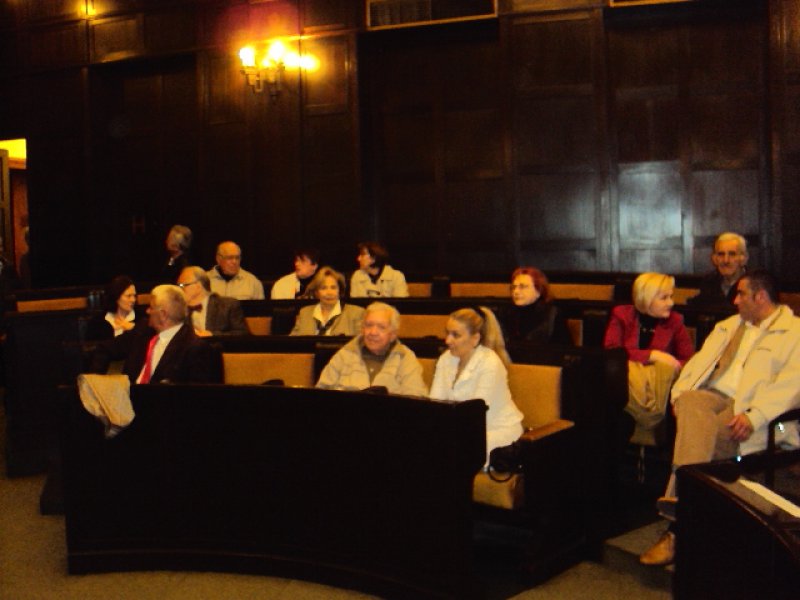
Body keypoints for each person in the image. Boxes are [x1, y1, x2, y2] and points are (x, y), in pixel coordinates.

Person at [639, 270, 800, 566]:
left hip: (750, 412)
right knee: (690, 402)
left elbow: (792, 387)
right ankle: (688, 509)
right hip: (713, 398)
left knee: (699, 433)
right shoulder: (728, 327)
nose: (735, 301)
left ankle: (678, 524)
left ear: (760, 297)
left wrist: (755, 415)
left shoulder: (794, 333)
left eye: (741, 294)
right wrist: (679, 394)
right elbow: (698, 364)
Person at [429, 306, 524, 463]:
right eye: (447, 333)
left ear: (475, 338)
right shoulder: (446, 358)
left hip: (496, 432)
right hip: (461, 431)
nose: (447, 340)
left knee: (452, 451)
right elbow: (435, 403)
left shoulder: (490, 363)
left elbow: (475, 415)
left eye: (456, 335)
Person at [603, 272, 694, 435]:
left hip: (659, 392)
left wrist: (668, 366)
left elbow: (688, 360)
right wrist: (652, 355)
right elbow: (612, 352)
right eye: (664, 298)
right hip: (624, 386)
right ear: (646, 299)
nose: (671, 303)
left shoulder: (675, 321)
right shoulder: (622, 315)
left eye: (671, 296)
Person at [90, 284, 223, 384]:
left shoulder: (195, 348)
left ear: (163, 315)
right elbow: (105, 348)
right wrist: (96, 383)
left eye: (151, 307)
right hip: (125, 401)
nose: (147, 311)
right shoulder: (143, 330)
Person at [316, 302, 427, 396]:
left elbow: (416, 397)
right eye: (369, 325)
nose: (373, 332)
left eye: (381, 327)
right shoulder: (345, 354)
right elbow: (321, 393)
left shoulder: (405, 357)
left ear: (393, 334)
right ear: (362, 329)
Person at [290, 266, 364, 336]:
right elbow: (293, 341)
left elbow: (361, 342)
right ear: (317, 292)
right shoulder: (304, 313)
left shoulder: (356, 313)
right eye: (323, 288)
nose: (329, 292)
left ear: (339, 290)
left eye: (333, 287)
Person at [503, 266, 569, 344]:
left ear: (538, 291)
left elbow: (565, 348)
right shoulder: (507, 312)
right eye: (513, 287)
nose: (516, 291)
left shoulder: (552, 314)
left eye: (522, 287)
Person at [177, 266, 249, 336]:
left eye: (183, 285)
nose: (179, 289)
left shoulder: (228, 305)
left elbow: (242, 334)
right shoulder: (177, 309)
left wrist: (212, 334)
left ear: (198, 286)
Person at [688, 232, 748, 307]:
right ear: (714, 259)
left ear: (743, 258)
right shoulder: (709, 283)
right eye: (721, 254)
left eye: (732, 254)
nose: (726, 260)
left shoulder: (753, 284)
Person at [85, 275, 139, 340]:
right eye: (128, 296)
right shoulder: (97, 322)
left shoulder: (141, 320)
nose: (133, 300)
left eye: (134, 295)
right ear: (116, 297)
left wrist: (133, 330)